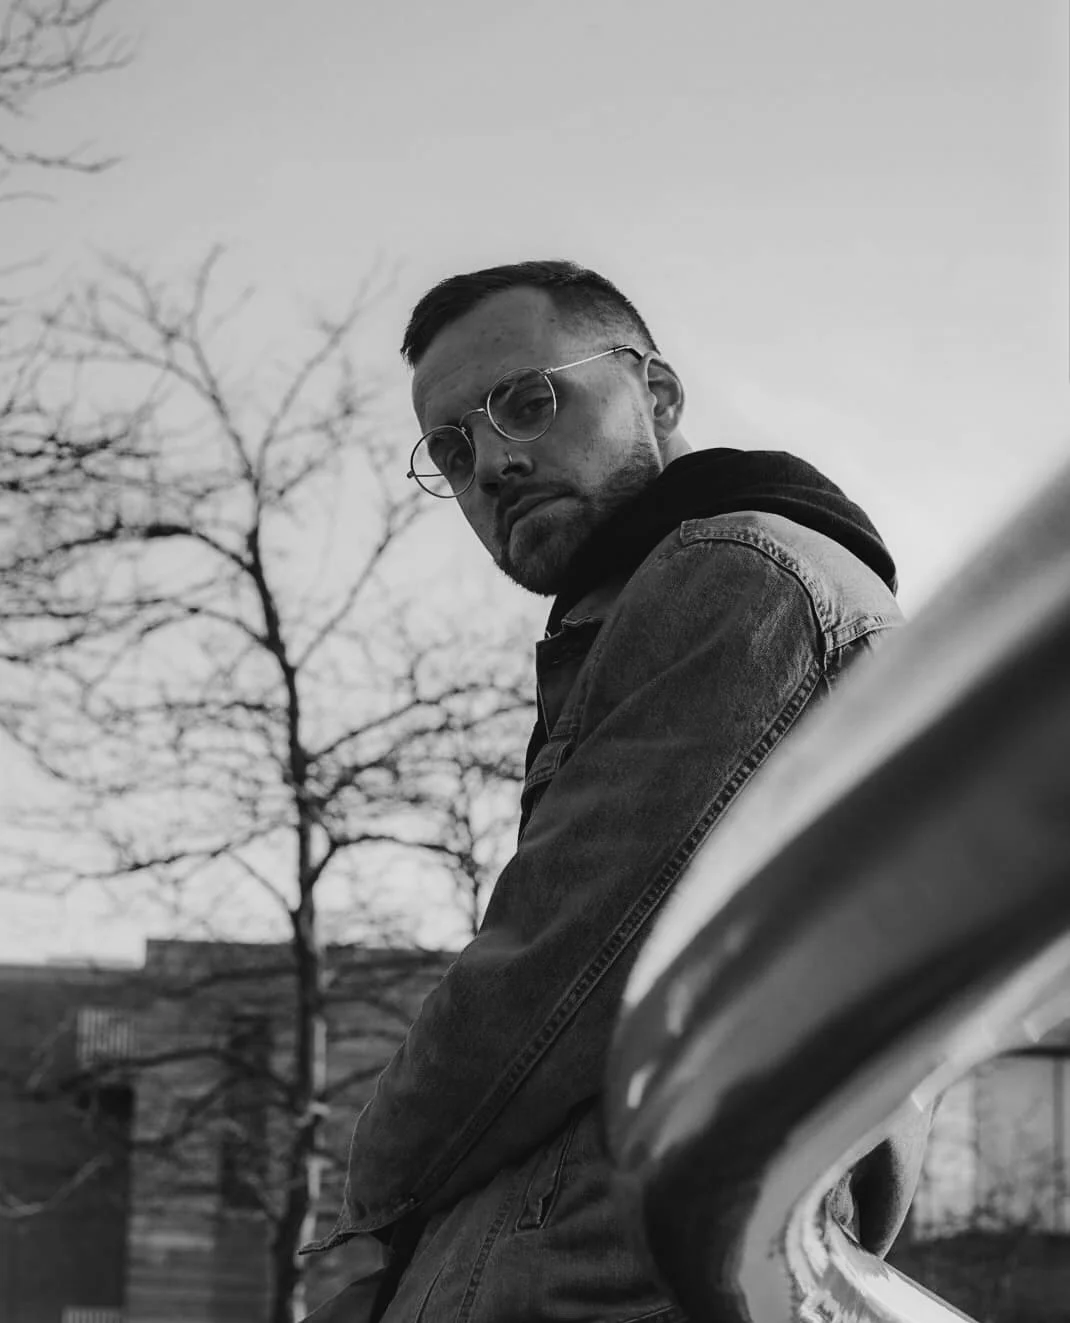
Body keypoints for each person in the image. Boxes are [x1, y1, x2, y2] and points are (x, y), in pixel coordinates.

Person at [304, 260, 932, 1321]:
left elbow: (550, 969)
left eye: (528, 399)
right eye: (452, 449)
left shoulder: (733, 578)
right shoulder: (680, 600)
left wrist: (358, 1223)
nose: (494, 461)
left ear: (659, 394)